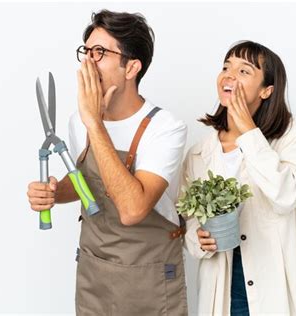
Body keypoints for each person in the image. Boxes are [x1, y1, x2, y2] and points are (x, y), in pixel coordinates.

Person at [27, 10, 188, 315]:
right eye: (86, 51)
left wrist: (95, 123)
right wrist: (54, 193)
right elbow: (87, 182)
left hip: (149, 281)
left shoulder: (164, 128)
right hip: (95, 275)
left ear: (132, 68)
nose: (88, 61)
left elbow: (132, 209)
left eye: (100, 52)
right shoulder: (79, 122)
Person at [181, 40, 296, 315]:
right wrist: (198, 238)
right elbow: (187, 219)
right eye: (226, 67)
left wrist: (249, 133)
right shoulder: (198, 153)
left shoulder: (286, 137)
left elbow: (287, 195)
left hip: (272, 284)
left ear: (267, 90)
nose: (229, 75)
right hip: (223, 285)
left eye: (244, 71)